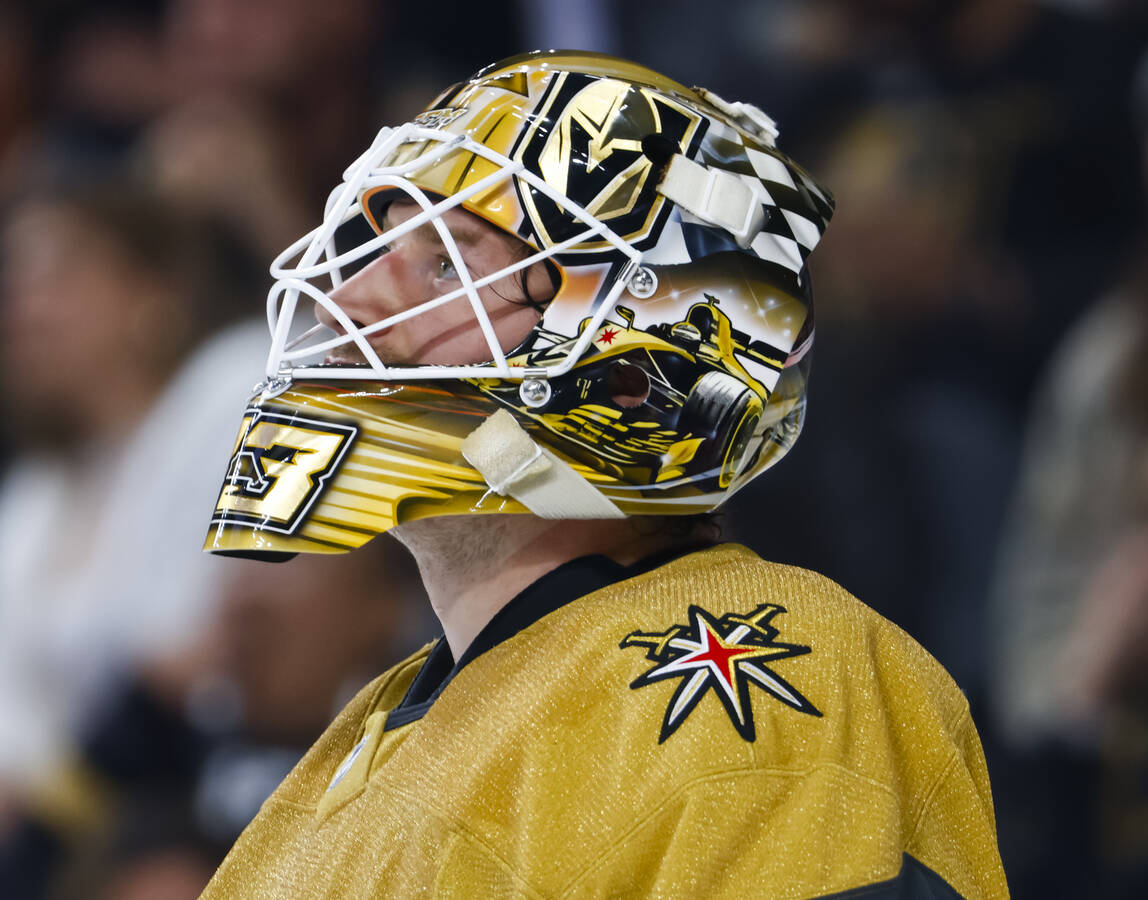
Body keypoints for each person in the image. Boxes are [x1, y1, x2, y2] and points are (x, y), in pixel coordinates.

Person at [198, 51, 1007, 897]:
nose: (348, 298)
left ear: (628, 372)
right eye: (371, 250)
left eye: (446, 262)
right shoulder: (354, 746)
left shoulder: (768, 677)